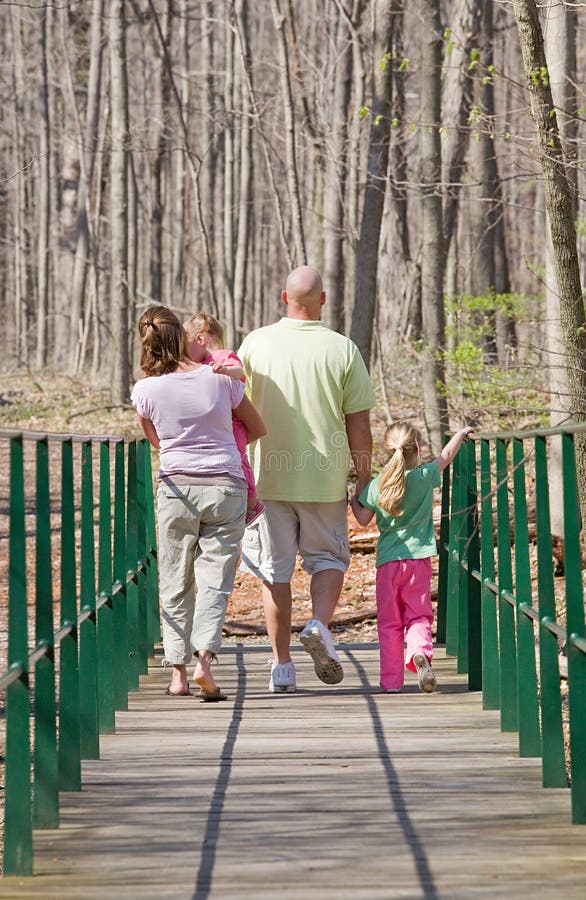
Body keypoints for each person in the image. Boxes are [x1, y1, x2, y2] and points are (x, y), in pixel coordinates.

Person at [237, 265, 374, 693]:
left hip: (267, 478)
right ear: (324, 301)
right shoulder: (343, 349)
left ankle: (281, 668)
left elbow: (233, 406)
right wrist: (363, 479)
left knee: (274, 573)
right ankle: (317, 625)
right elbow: (359, 425)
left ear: (284, 297)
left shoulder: (255, 344)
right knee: (329, 561)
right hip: (324, 479)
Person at [130, 305, 266, 701]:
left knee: (174, 578)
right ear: (181, 337)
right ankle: (204, 661)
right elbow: (256, 427)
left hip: (175, 488)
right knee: (215, 580)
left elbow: (156, 439)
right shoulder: (220, 379)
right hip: (226, 484)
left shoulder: (145, 390)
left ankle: (177, 674)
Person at [350, 421, 474, 694]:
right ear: (416, 449)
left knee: (389, 622)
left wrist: (353, 499)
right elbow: (446, 457)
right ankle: (419, 653)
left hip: (387, 563)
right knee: (419, 615)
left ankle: (392, 682)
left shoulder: (376, 486)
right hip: (418, 560)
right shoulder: (424, 476)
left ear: (387, 449)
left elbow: (361, 520)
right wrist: (461, 435)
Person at [183, 311, 263, 525]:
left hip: (234, 420)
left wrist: (225, 371)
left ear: (200, 339)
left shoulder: (221, 356)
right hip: (221, 420)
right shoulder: (205, 362)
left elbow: (240, 371)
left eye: (186, 345)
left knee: (238, 455)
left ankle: (252, 501)